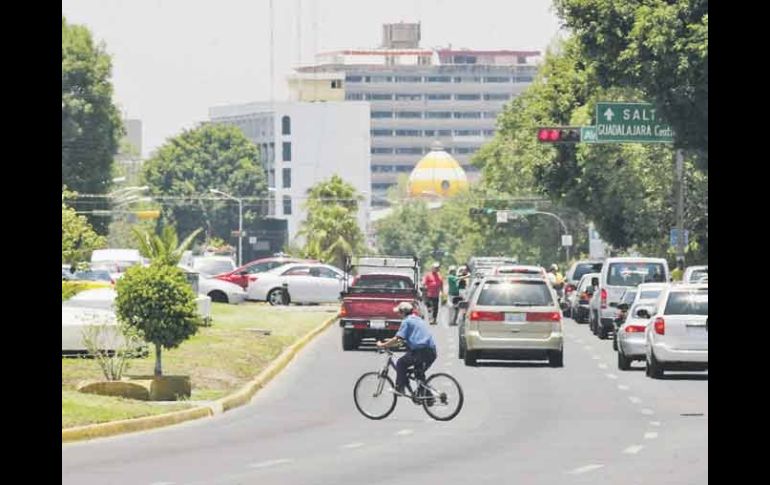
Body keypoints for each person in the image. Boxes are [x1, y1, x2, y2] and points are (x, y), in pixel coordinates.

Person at [377, 302, 437, 397]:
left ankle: (400, 388)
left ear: (403, 313)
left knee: (401, 363)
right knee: (418, 374)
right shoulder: (418, 319)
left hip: (421, 352)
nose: (398, 315)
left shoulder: (406, 321)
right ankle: (428, 397)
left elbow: (398, 338)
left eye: (399, 313)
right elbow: (412, 337)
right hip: (431, 351)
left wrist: (383, 345)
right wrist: (397, 342)